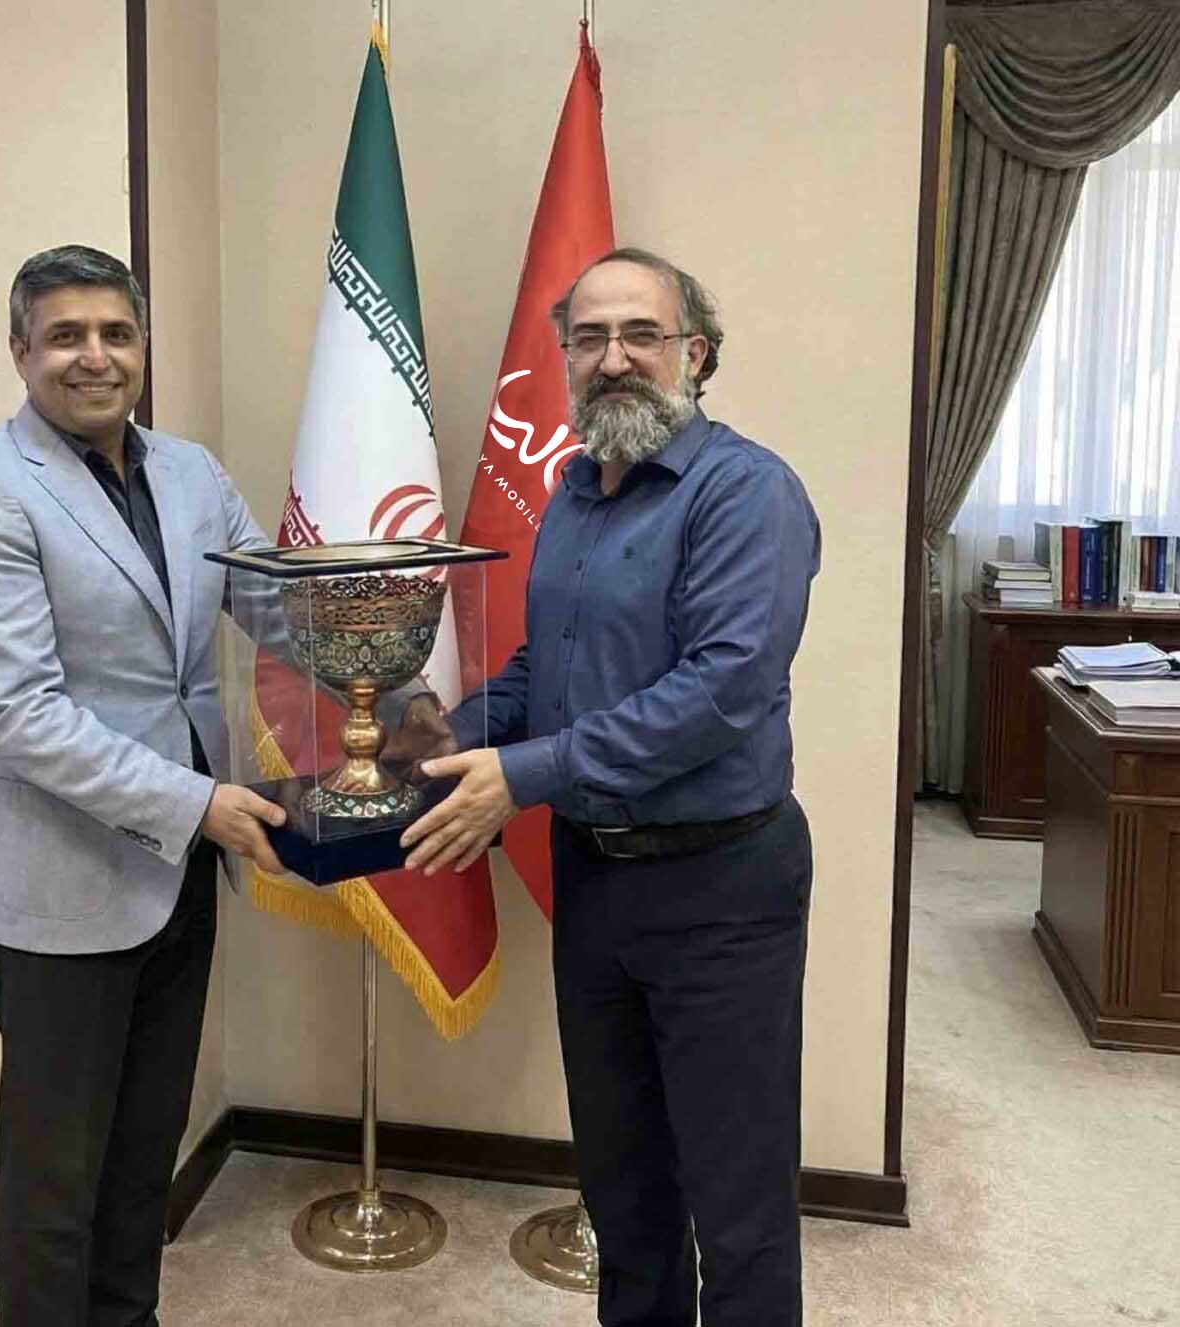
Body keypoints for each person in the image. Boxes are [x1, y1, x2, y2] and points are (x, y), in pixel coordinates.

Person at [402, 246, 822, 1326]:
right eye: (589, 338)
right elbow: (548, 667)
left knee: (737, 1201)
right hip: (595, 878)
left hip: (719, 888)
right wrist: (446, 739)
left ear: (698, 354)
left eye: (642, 333)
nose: (614, 357)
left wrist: (523, 774)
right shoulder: (576, 492)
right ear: (566, 359)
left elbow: (720, 691)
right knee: (624, 1189)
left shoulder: (749, 493)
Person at [0, 244, 286, 1327]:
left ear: (142, 345)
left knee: (140, 1161)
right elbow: (18, 716)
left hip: (181, 878)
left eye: (116, 333)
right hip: (63, 889)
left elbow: (274, 605)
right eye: (66, 335)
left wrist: (394, 682)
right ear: (20, 351)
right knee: (53, 1188)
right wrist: (198, 803)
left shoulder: (193, 474)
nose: (95, 356)